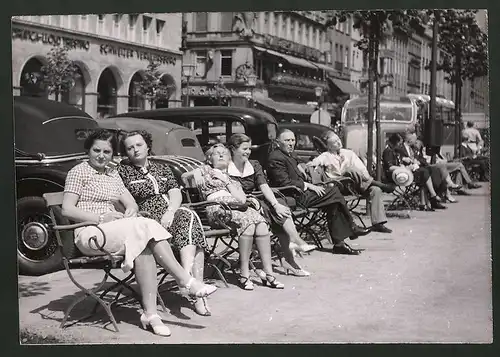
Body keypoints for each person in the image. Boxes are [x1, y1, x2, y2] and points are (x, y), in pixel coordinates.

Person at [61, 129, 216, 337]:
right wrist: (100, 218)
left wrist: (131, 209)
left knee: (143, 243)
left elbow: (130, 202)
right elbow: (67, 209)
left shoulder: (112, 173)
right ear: (87, 151)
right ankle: (185, 280)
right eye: (96, 150)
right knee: (144, 227)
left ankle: (150, 315)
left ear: (112, 154)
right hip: (90, 233)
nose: (101, 155)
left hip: (114, 231)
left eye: (106, 152)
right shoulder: (78, 172)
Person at [117, 130, 212, 317]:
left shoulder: (161, 167)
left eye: (139, 145)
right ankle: (193, 288)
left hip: (171, 213)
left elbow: (175, 192)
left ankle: (186, 279)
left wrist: (170, 212)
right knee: (192, 227)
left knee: (188, 216)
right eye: (130, 148)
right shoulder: (122, 171)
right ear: (125, 152)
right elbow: (123, 201)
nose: (135, 150)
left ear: (147, 145)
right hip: (147, 218)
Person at [182, 144, 284, 291]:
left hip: (236, 208)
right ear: (210, 158)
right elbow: (184, 177)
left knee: (261, 223)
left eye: (224, 153)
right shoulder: (205, 170)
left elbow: (241, 200)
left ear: (229, 159)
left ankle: (269, 273)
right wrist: (195, 173)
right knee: (248, 224)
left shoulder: (232, 179)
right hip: (217, 208)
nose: (222, 155)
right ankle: (244, 274)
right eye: (217, 153)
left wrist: (226, 181)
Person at [267, 129, 370, 256]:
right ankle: (351, 227)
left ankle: (339, 244)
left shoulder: (289, 154)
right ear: (278, 142)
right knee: (333, 191)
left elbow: (297, 162)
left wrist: (301, 166)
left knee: (334, 202)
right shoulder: (276, 157)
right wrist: (308, 185)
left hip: (300, 193)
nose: (291, 143)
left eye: (293, 140)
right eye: (287, 140)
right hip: (292, 196)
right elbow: (284, 183)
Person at [226, 133, 313, 277]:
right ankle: (291, 253)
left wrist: (275, 204)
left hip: (256, 201)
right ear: (233, 149)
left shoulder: (253, 164)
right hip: (237, 204)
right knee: (274, 210)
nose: (248, 152)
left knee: (278, 206)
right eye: (244, 149)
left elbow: (263, 186)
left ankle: (294, 243)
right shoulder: (226, 166)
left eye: (249, 149)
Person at [307, 131, 394, 233]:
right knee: (350, 170)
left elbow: (362, 170)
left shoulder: (349, 153)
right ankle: (380, 184)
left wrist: (364, 177)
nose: (339, 143)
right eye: (335, 142)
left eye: (338, 140)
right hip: (339, 186)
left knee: (375, 190)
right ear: (328, 146)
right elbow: (314, 163)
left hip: (355, 185)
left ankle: (378, 224)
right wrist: (311, 164)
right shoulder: (325, 156)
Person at [396, 131, 448, 210]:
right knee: (425, 172)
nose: (416, 142)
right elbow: (398, 161)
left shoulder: (415, 148)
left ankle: (432, 199)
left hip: (420, 171)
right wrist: (408, 161)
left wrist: (418, 161)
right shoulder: (399, 149)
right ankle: (433, 196)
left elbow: (423, 160)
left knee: (434, 170)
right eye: (415, 140)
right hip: (408, 172)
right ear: (409, 140)